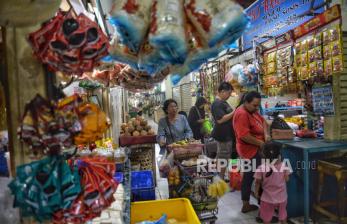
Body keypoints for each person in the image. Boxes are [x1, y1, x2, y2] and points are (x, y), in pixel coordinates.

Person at [233, 91, 270, 213]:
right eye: (254, 105)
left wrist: (266, 134)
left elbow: (263, 121)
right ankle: (260, 208)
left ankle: (250, 204)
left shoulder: (252, 111)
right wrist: (262, 144)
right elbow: (244, 136)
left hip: (256, 148)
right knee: (253, 178)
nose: (256, 108)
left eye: (258, 105)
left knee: (251, 176)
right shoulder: (242, 114)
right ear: (246, 102)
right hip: (249, 150)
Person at [254, 142, 291, 224]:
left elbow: (257, 182)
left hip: (267, 199)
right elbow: (287, 179)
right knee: (283, 215)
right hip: (282, 198)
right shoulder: (284, 165)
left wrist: (256, 192)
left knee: (266, 219)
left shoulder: (261, 168)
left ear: (264, 155)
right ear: (279, 155)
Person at [211, 82, 234, 179]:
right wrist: (235, 112)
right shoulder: (217, 103)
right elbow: (220, 120)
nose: (229, 95)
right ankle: (220, 179)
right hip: (223, 135)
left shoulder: (223, 102)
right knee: (223, 156)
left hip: (226, 134)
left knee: (222, 155)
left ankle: (218, 175)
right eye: (229, 93)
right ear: (223, 91)